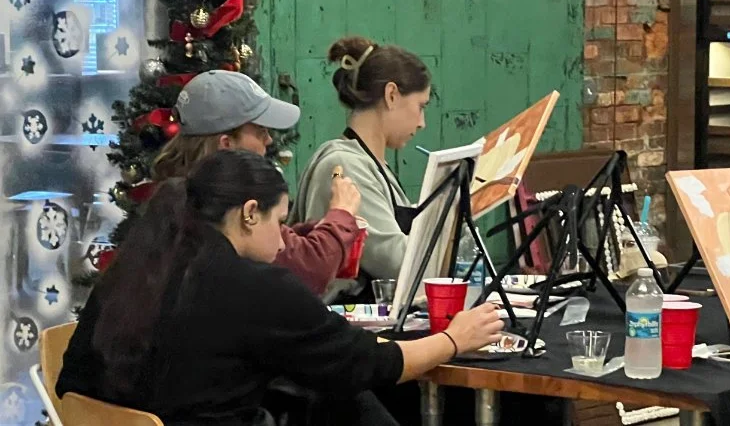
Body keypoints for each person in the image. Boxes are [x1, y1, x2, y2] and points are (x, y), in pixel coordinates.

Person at [56, 150, 504, 426]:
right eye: (280, 219)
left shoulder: (135, 268)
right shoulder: (254, 286)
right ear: (250, 213)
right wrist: (453, 338)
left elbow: (71, 377)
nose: (283, 235)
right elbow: (372, 363)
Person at [152, 70, 361, 295]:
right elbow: (310, 270)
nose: (269, 139)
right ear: (227, 144)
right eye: (260, 130)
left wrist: (305, 231)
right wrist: (341, 214)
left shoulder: (173, 197)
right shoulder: (226, 206)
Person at [291, 36, 431, 301]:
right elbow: (397, 262)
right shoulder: (345, 166)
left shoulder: (373, 165)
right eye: (420, 106)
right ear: (391, 95)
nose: (422, 122)